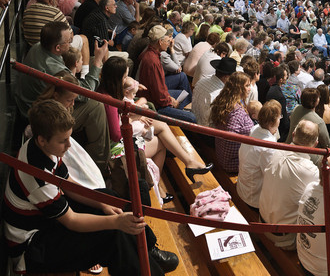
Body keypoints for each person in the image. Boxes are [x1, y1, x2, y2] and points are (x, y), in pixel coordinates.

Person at [3, 99, 179, 275]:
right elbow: (71, 221)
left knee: (109, 197)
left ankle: (145, 251)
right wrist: (116, 221)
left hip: (45, 221)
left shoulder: (44, 148)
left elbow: (69, 184)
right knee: (113, 234)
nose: (69, 145)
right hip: (32, 247)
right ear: (42, 140)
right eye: (63, 141)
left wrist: (102, 203)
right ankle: (144, 262)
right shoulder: (37, 176)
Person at [259, 120, 320, 250]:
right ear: (315, 144)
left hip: (262, 221)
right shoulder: (311, 171)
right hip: (284, 237)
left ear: (293, 135)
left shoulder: (275, 151)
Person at [137, 25, 196, 123]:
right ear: (160, 42)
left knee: (184, 94)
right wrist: (171, 101)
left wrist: (169, 98)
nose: (169, 44)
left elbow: (159, 88)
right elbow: (159, 96)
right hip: (155, 105)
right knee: (192, 118)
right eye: (167, 41)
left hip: (156, 97)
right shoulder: (153, 61)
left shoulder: (151, 53)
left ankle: (177, 113)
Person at [238, 100, 281, 210]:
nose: (280, 119)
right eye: (279, 117)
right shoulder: (269, 146)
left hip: (243, 186)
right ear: (272, 122)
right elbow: (271, 175)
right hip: (252, 197)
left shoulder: (255, 128)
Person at [210, 72, 253, 173]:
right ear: (239, 88)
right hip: (232, 162)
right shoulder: (237, 111)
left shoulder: (225, 102)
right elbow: (230, 138)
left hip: (221, 155)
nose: (250, 88)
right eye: (247, 86)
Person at [192, 56, 237, 127]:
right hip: (206, 131)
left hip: (193, 122)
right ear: (226, 77)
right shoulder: (221, 94)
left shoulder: (201, 82)